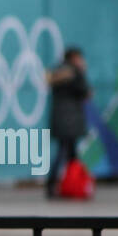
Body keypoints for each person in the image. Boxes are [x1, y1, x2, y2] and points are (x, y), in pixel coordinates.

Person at [45, 47, 90, 197]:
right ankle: (67, 184)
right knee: (66, 153)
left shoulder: (57, 71)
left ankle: (66, 184)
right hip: (71, 118)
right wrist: (82, 72)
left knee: (68, 153)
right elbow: (86, 92)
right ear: (74, 57)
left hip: (59, 117)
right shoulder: (75, 72)